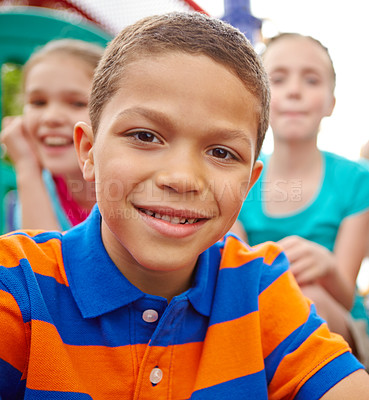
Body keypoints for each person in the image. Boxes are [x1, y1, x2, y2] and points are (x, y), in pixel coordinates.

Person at [0, 13, 368, 399]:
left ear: (248, 184)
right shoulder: (19, 288)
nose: (182, 177)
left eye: (222, 152)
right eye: (145, 135)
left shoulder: (260, 288)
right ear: (88, 152)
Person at [234, 32, 369, 367]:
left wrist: (327, 267)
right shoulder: (237, 176)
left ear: (330, 102)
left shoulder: (357, 180)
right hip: (253, 313)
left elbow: (346, 293)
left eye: (311, 80)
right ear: (258, 98)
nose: (294, 90)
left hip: (337, 321)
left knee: (308, 300)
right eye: (278, 79)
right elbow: (232, 273)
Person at [0, 39, 103, 232]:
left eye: (77, 103)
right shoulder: (34, 188)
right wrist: (27, 166)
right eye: (38, 102)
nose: (51, 117)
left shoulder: (132, 189)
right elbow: (38, 259)